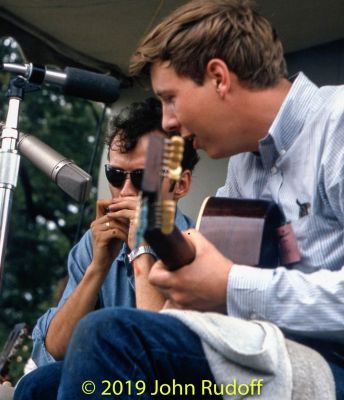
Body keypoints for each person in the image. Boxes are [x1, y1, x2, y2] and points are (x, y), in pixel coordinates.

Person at [19, 0, 343, 399]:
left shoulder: (337, 124)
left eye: (170, 98)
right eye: (115, 175)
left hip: (329, 364)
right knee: (39, 387)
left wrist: (228, 284)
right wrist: (164, 255)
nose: (168, 121)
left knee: (108, 335)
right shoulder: (245, 163)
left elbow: (224, 288)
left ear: (219, 77)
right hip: (258, 353)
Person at [13, 97, 199, 399]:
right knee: (39, 385)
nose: (124, 191)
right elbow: (55, 349)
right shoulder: (95, 242)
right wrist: (97, 268)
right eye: (115, 175)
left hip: (174, 388)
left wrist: (143, 245)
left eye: (141, 178)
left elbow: (161, 360)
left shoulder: (196, 245)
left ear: (180, 185)